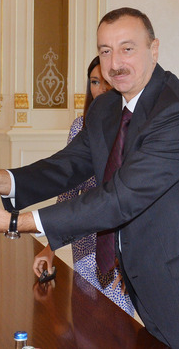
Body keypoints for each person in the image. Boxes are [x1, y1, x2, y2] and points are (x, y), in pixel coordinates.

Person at [0, 7, 179, 347]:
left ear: (154, 49)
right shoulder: (107, 108)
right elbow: (66, 166)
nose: (115, 64)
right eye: (105, 51)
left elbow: (119, 199)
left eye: (128, 48)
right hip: (143, 282)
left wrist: (14, 222)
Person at [32, 56, 134, 317]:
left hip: (124, 251)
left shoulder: (134, 129)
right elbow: (69, 192)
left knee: (118, 331)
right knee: (86, 329)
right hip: (87, 248)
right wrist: (50, 247)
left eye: (107, 82)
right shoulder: (80, 127)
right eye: (94, 82)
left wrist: (134, 264)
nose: (100, 89)